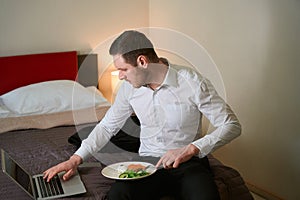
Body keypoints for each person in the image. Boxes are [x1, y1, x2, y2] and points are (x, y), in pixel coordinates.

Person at [43, 30, 241, 200]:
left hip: (189, 164)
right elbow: (107, 126)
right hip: (148, 165)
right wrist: (75, 159)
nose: (120, 75)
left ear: (142, 61)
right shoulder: (128, 89)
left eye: (123, 69)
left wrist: (190, 149)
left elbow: (231, 125)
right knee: (118, 195)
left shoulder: (192, 82)